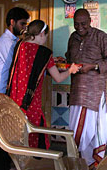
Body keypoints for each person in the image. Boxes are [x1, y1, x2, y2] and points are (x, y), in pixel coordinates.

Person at [7, 19, 80, 149]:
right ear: (41, 34)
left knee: (17, 132)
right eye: (46, 36)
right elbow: (58, 78)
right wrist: (71, 70)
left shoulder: (19, 46)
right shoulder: (44, 53)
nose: (46, 39)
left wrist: (51, 61)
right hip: (31, 103)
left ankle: (19, 160)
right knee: (34, 133)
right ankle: (34, 161)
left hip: (14, 100)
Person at [65, 8, 107, 170]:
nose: (80, 27)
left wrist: (93, 66)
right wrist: (63, 62)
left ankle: (90, 163)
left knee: (91, 131)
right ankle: (79, 162)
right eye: (76, 24)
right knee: (76, 129)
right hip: (76, 92)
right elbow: (70, 58)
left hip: (94, 92)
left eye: (84, 24)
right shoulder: (73, 37)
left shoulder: (102, 37)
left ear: (90, 22)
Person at [0, 7, 29, 170]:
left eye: (26, 24)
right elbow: (15, 66)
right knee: (0, 134)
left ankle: (3, 164)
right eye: (22, 24)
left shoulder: (14, 41)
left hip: (7, 91)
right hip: (1, 91)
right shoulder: (6, 42)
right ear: (12, 22)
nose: (24, 27)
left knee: (6, 132)